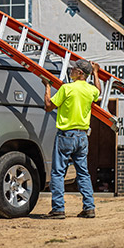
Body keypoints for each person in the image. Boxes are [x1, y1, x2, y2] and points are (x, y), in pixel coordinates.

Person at [42, 59, 101, 219]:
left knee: (58, 173)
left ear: (80, 73)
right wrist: (96, 73)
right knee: (83, 174)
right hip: (82, 136)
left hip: (66, 135)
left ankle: (58, 209)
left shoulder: (66, 88)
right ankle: (89, 208)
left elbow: (48, 106)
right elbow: (98, 91)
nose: (71, 70)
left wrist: (47, 87)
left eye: (73, 69)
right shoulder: (90, 91)